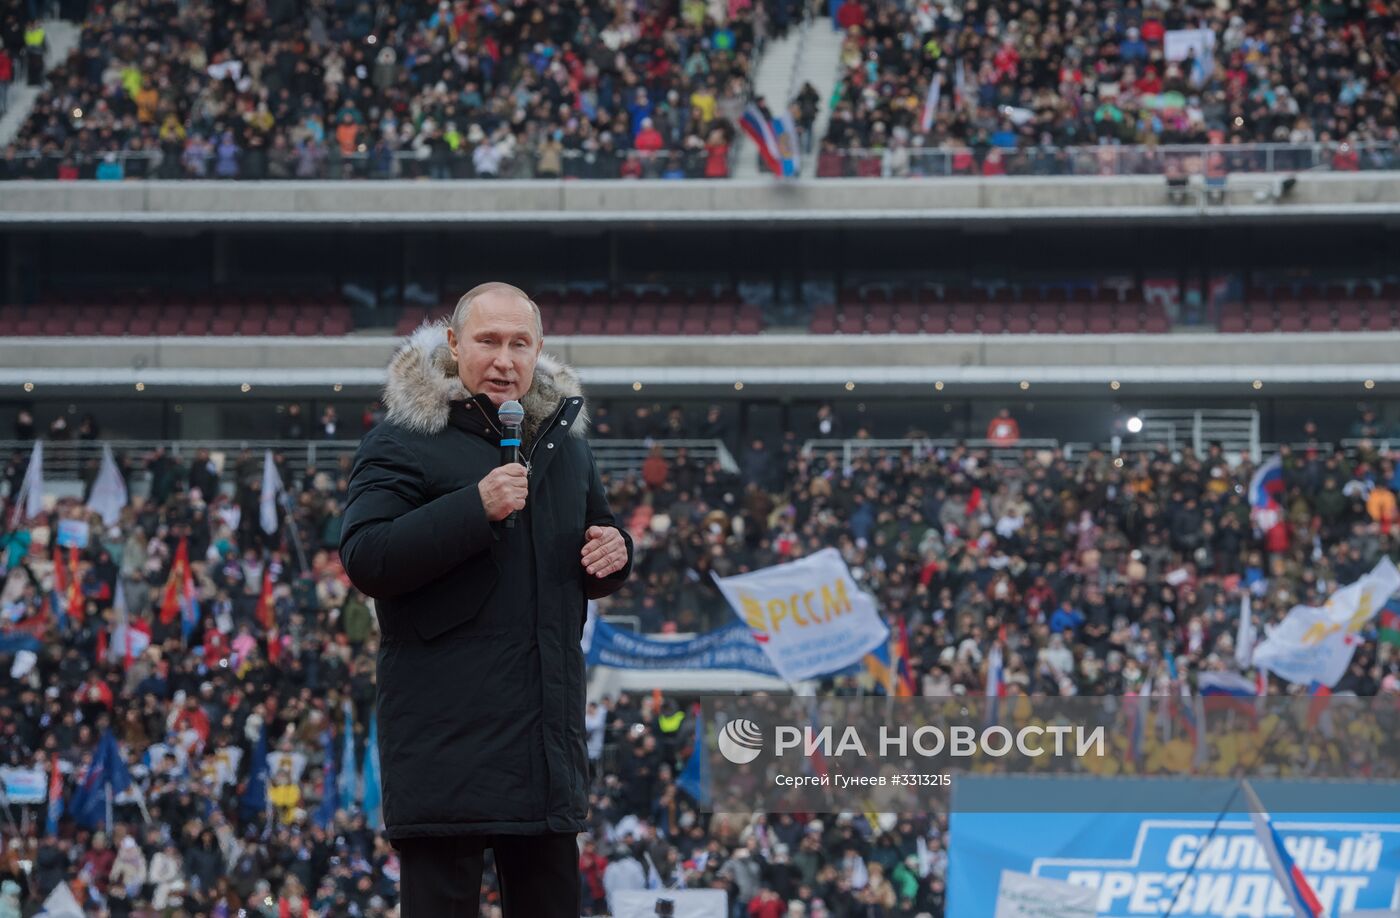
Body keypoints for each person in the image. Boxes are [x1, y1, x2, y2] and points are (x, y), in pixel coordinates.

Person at [340, 282, 633, 916]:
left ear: (539, 351)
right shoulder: (402, 439)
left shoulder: (566, 447)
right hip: (448, 757)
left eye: (519, 344)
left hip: (545, 758)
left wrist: (615, 555)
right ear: (452, 344)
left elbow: (597, 539)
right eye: (488, 341)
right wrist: (474, 507)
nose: (504, 359)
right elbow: (366, 556)